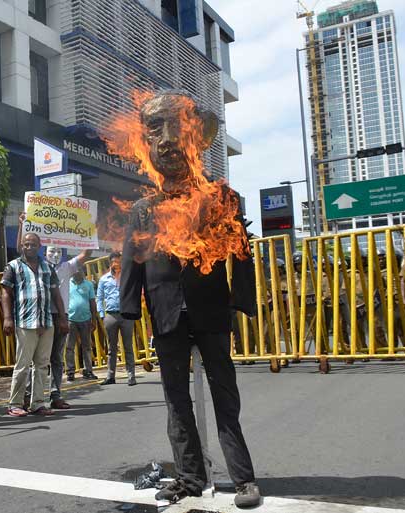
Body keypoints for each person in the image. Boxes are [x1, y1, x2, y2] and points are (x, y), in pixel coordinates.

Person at [119, 91, 260, 508]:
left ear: (195, 134)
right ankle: (189, 477)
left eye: (174, 126)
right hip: (166, 313)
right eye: (154, 129)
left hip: (210, 308)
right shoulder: (142, 208)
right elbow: (132, 259)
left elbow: (241, 251)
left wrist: (242, 298)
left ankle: (244, 478)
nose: (164, 139)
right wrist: (129, 307)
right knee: (175, 399)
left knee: (225, 395)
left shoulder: (220, 197)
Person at [1, 232, 68, 417]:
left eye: (33, 245)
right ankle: (14, 403)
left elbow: (56, 294)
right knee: (22, 365)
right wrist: (7, 318)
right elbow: (5, 293)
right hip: (25, 322)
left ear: (39, 247)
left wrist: (62, 318)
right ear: (22, 246)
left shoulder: (47, 267)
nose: (29, 247)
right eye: (26, 244)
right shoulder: (13, 266)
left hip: (46, 323)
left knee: (41, 365)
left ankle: (37, 403)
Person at [97, 251, 137, 386]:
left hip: (126, 315)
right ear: (110, 263)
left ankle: (131, 375)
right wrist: (102, 315)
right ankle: (110, 376)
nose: (116, 264)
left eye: (119, 261)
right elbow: (99, 298)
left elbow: (133, 293)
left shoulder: (126, 277)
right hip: (111, 315)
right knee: (111, 348)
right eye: (114, 261)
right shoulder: (103, 279)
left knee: (128, 346)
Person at [65, 265, 99, 381]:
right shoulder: (66, 284)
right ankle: (70, 372)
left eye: (79, 270)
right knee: (69, 347)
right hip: (70, 320)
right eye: (74, 271)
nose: (76, 272)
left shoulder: (88, 284)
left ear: (82, 271)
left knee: (87, 346)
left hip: (86, 319)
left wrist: (94, 320)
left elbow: (92, 303)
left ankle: (88, 371)